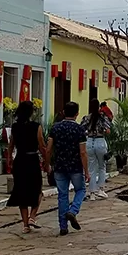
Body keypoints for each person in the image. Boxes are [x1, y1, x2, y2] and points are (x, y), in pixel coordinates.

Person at [46, 101, 90, 236]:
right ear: (77, 114)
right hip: (75, 166)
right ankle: (73, 210)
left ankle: (63, 226)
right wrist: (86, 171)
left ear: (63, 112)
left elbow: (48, 149)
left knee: (62, 195)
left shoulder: (55, 128)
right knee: (81, 189)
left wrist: (47, 164)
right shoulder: (79, 129)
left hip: (59, 166)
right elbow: (82, 152)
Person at [7, 101, 47, 234]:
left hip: (20, 160)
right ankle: (32, 216)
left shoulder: (15, 127)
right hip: (32, 160)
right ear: (31, 113)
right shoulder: (36, 127)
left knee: (21, 192)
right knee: (37, 190)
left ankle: (25, 225)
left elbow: (11, 145)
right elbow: (41, 145)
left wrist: (9, 160)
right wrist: (47, 161)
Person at [81, 99, 111, 201]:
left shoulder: (86, 118)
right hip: (100, 142)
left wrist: (88, 132)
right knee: (102, 166)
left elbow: (81, 129)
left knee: (91, 168)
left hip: (89, 142)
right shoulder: (103, 118)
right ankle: (101, 189)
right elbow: (107, 130)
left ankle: (92, 192)